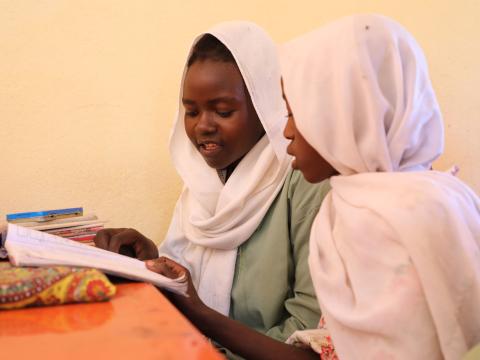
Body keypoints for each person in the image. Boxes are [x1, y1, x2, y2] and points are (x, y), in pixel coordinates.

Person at [95, 21, 330, 359]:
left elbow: (308, 334)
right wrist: (148, 262)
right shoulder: (204, 182)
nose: (202, 126)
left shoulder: (306, 181)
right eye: (191, 111)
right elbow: (187, 290)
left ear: (266, 107)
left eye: (223, 111)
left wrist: (207, 342)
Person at [280, 14, 480, 359]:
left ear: (345, 111)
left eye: (295, 111)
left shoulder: (386, 221)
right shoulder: (361, 205)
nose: (286, 131)